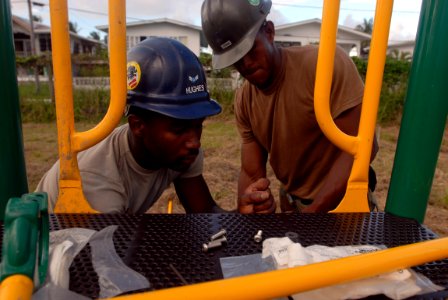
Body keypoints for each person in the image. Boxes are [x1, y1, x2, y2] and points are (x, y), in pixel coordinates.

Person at [201, 0, 378, 213]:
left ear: (269, 32)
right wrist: (253, 203)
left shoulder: (324, 66)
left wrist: (312, 216)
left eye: (250, 50)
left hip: (344, 207)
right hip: (293, 206)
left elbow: (362, 148)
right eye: (236, 59)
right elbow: (251, 172)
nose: (246, 64)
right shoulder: (244, 100)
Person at [37, 37, 225, 213]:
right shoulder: (96, 178)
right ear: (138, 126)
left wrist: (243, 212)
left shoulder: (181, 152)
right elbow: (106, 245)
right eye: (179, 129)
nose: (194, 143)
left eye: (198, 125)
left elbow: (205, 213)